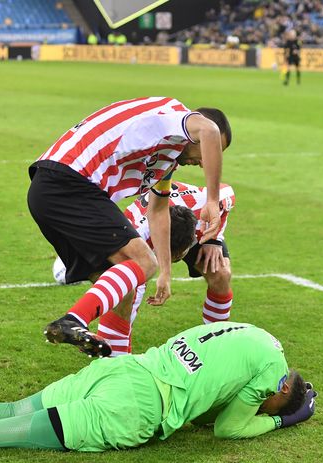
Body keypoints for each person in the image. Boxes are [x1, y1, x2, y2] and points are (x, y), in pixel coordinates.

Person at [0, 322, 318, 452]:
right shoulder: (271, 378)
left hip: (122, 369)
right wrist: (281, 418)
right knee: (7, 434)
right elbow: (229, 430)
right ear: (283, 387)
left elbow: (212, 391)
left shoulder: (255, 338)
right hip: (137, 408)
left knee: (5, 410)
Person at [29, 97, 230, 358]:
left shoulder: (166, 159)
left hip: (51, 190)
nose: (205, 162)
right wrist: (212, 200)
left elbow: (158, 211)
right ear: (195, 135)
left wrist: (166, 274)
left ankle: (116, 368)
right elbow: (211, 131)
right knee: (144, 262)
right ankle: (73, 319)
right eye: (208, 151)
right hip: (68, 183)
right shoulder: (172, 116)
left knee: (122, 284)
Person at [53, 182, 236, 357]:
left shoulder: (202, 204)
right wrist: (110, 338)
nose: (173, 262)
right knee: (127, 294)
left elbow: (227, 192)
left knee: (221, 272)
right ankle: (114, 357)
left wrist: (214, 239)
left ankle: (216, 342)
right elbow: (129, 298)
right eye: (169, 257)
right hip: (140, 235)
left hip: (190, 223)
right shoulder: (134, 235)